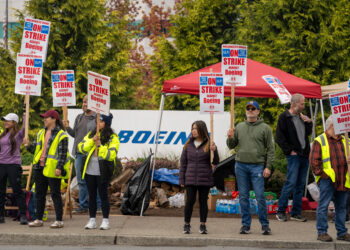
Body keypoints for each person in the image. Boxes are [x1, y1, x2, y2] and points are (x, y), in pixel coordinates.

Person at [227, 101, 274, 235]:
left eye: (253, 108)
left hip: (257, 166)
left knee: (260, 196)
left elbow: (271, 149)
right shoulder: (239, 126)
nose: (250, 110)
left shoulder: (265, 128)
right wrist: (229, 137)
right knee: (243, 197)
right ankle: (245, 225)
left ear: (258, 111)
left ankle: (265, 225)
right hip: (240, 165)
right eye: (248, 108)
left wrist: (268, 167)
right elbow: (231, 145)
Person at [24, 110, 70, 228]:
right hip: (39, 167)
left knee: (55, 194)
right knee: (39, 194)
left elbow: (63, 154)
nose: (44, 119)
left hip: (52, 169)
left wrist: (59, 167)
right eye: (43, 118)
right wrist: (28, 145)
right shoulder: (40, 133)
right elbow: (35, 149)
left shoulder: (61, 135)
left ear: (54, 119)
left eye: (47, 118)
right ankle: (39, 219)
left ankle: (59, 220)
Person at [310, 116, 350, 242]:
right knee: (324, 206)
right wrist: (323, 176)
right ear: (333, 125)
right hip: (328, 180)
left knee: (341, 207)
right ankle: (322, 232)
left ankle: (342, 232)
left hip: (343, 178)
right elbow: (314, 162)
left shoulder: (345, 140)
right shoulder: (320, 140)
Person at [78, 113, 119, 230]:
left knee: (103, 195)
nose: (98, 123)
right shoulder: (91, 134)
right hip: (90, 170)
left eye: (100, 121)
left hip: (103, 170)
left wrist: (100, 145)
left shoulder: (113, 137)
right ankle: (92, 220)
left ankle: (105, 221)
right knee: (91, 195)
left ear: (106, 123)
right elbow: (81, 147)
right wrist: (92, 141)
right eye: (97, 121)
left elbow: (111, 155)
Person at [275, 94, 312, 222]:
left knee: (300, 185)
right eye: (302, 104)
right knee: (290, 182)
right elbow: (279, 137)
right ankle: (280, 211)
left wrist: (309, 123)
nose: (304, 106)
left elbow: (307, 134)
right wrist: (289, 151)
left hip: (304, 155)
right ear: (294, 104)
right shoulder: (284, 117)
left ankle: (295, 213)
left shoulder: (301, 117)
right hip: (294, 155)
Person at [179, 120, 219, 234]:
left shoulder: (210, 144)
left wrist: (214, 151)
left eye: (196, 128)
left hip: (204, 178)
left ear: (202, 130)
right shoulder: (188, 145)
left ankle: (203, 225)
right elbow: (183, 163)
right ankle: (186, 225)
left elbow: (215, 161)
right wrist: (182, 179)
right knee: (189, 202)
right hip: (190, 178)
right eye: (192, 128)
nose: (193, 131)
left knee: (203, 202)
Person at [64, 95, 100, 213]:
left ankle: (98, 206)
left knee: (95, 180)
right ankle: (83, 206)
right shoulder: (79, 117)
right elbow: (75, 134)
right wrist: (68, 128)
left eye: (87, 102)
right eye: (84, 102)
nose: (85, 104)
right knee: (81, 181)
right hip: (79, 153)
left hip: (92, 154)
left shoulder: (97, 118)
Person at [0, 109, 27, 225]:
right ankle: (1, 215)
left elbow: (25, 127)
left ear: (14, 122)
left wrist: (25, 113)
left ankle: (22, 215)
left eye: (8, 121)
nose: (5, 122)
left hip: (13, 165)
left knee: (17, 190)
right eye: (4, 120)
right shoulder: (3, 134)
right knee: (0, 191)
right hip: (1, 164)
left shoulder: (19, 134)